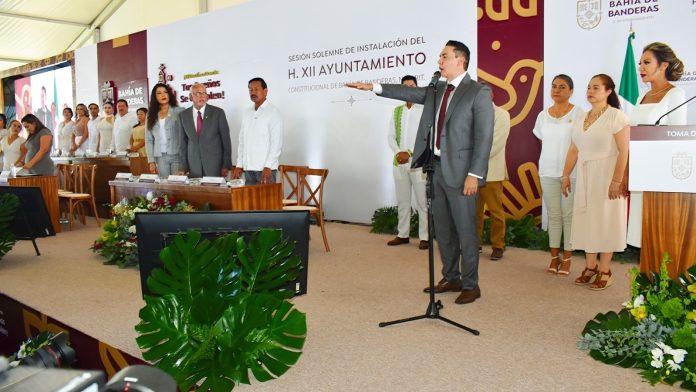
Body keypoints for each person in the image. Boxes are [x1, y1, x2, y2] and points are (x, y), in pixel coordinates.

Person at [347, 40, 494, 304]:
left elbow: (484, 137)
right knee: (444, 230)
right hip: (434, 169)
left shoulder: (478, 92)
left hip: (463, 174)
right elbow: (410, 94)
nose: (439, 61)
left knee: (465, 231)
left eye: (444, 56)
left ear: (460, 60)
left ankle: (471, 285)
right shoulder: (437, 88)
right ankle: (451, 276)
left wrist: (476, 174)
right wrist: (374, 87)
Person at [561, 74, 629, 291]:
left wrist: (617, 180)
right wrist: (565, 175)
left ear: (608, 91)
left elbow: (624, 150)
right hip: (585, 175)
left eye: (596, 88)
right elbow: (574, 149)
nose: (590, 91)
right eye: (589, 87)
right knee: (587, 220)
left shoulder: (617, 116)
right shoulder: (581, 117)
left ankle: (605, 270)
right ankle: (590, 267)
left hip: (607, 175)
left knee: (605, 221)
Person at [627, 42, 687, 249]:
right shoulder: (642, 96)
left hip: (661, 175)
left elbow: (678, 138)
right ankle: (648, 277)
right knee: (643, 235)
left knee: (660, 235)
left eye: (647, 62)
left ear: (663, 66)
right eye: (640, 63)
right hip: (640, 170)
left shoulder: (676, 94)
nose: (641, 68)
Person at [533, 74, 584, 275]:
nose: (557, 90)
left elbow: (579, 145)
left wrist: (566, 172)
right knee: (553, 215)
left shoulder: (579, 113)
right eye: (554, 86)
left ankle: (568, 258)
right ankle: (554, 258)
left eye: (562, 87)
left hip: (570, 174)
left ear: (571, 91)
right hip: (547, 171)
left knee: (568, 215)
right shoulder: (542, 115)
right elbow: (543, 143)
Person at [386, 75, 428, 250]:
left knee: (422, 202)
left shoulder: (424, 110)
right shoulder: (397, 111)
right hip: (399, 164)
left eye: (412, 86)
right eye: (405, 87)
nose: (408, 89)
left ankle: (425, 237)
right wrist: (398, 152)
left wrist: (409, 153)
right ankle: (402, 235)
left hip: (418, 164)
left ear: (417, 88)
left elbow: (426, 138)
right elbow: (390, 136)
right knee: (403, 201)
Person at [476, 81, 510, 261]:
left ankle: (498, 245)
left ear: (491, 96)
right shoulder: (471, 114)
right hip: (471, 173)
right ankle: (475, 244)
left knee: (495, 211)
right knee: (474, 212)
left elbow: (496, 144)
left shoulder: (502, 114)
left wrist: (472, 159)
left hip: (491, 171)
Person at [232, 78, 282, 184]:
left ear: (265, 91)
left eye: (256, 89)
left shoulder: (273, 112)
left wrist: (268, 166)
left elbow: (276, 143)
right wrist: (239, 165)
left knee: (266, 201)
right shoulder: (246, 112)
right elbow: (242, 141)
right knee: (249, 201)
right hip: (248, 169)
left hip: (265, 170)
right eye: (250, 90)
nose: (253, 92)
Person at [177, 83, 232, 178]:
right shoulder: (183, 116)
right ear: (191, 97)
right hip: (193, 166)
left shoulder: (218, 113)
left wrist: (226, 165)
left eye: (204, 93)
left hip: (214, 165)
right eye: (198, 93)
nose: (202, 96)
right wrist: (183, 167)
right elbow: (183, 144)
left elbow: (226, 141)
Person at [145, 83, 184, 177]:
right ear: (155, 97)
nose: (163, 95)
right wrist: (151, 161)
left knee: (177, 184)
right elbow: (149, 140)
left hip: (177, 155)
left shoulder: (180, 111)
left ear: (169, 94)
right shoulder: (150, 114)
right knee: (164, 186)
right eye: (159, 93)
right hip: (160, 156)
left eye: (165, 92)